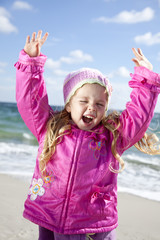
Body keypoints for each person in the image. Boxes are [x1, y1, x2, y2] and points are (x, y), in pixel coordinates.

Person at [15, 30, 160, 240]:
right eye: (83, 101)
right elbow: (29, 100)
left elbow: (138, 118)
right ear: (69, 104)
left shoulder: (112, 137)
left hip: (93, 223)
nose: (91, 107)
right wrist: (31, 63)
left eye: (100, 104)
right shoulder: (50, 129)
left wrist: (145, 80)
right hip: (50, 214)